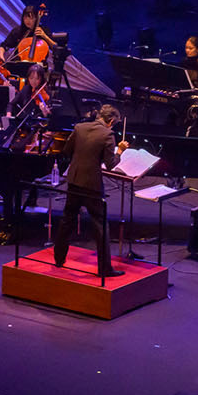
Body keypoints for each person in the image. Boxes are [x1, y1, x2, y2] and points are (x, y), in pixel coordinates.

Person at [56, 104, 127, 277]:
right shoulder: (107, 134)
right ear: (111, 121)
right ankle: (104, 269)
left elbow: (67, 151)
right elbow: (110, 164)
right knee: (100, 225)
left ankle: (59, 258)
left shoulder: (79, 127)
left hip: (74, 180)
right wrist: (120, 151)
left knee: (67, 220)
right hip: (91, 185)